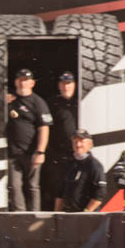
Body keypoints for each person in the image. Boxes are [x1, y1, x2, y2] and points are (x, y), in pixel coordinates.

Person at [4, 68, 51, 211]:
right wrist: (2, 102)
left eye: (26, 80)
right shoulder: (9, 99)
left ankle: (34, 216)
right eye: (20, 80)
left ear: (32, 83)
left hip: (32, 153)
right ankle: (20, 216)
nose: (23, 83)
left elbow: (44, 128)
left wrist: (40, 151)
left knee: (32, 186)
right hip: (13, 153)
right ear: (16, 82)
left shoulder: (38, 102)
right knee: (14, 186)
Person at [41, 72, 79, 205]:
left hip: (76, 154)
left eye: (69, 83)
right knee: (55, 187)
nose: (66, 87)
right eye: (63, 83)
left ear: (74, 85)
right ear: (59, 85)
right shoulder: (52, 103)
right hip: (56, 155)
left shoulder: (80, 102)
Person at [54, 130, 106, 212]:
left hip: (87, 216)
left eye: (82, 141)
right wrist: (56, 214)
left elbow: (99, 194)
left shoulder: (95, 165)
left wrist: (86, 213)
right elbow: (60, 192)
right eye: (75, 142)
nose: (78, 145)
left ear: (90, 144)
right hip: (67, 215)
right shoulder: (68, 164)